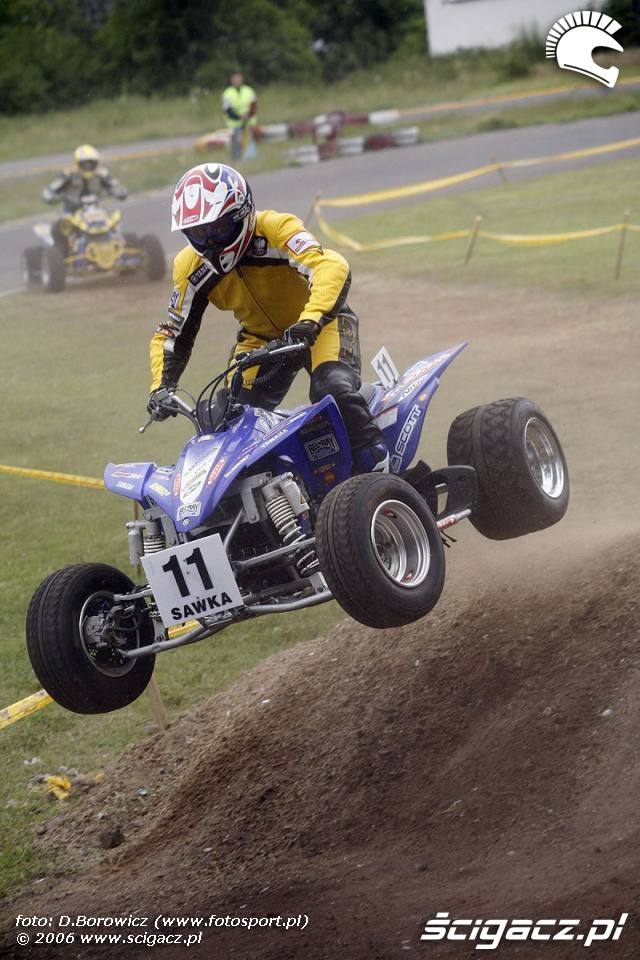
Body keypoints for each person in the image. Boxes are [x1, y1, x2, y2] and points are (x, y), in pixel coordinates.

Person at [147, 163, 389, 475]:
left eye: (218, 228)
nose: (211, 242)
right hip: (260, 342)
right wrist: (161, 387)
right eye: (198, 233)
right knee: (225, 420)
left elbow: (332, 266)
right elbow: (173, 334)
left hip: (321, 325)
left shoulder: (276, 228)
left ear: (243, 214)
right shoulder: (189, 267)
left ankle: (378, 465)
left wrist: (310, 320)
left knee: (331, 391)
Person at [42, 144, 128, 251]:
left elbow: (116, 186)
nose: (88, 166)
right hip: (72, 211)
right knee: (60, 228)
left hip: (95, 210)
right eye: (85, 163)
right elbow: (51, 189)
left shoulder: (102, 174)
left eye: (91, 163)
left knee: (114, 223)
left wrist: (119, 192)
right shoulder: (68, 174)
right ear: (78, 163)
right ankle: (63, 252)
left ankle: (119, 246)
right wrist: (51, 196)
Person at [222, 72, 257, 162]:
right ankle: (237, 160)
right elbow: (227, 109)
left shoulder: (249, 90)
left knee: (249, 141)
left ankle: (250, 160)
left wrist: (248, 115)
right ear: (232, 80)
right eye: (235, 80)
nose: (237, 81)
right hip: (234, 123)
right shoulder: (227, 93)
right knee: (236, 143)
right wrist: (239, 117)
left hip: (248, 121)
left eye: (239, 79)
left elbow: (254, 106)